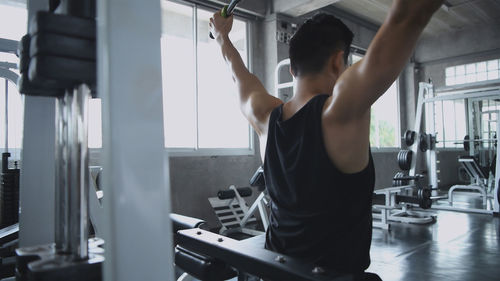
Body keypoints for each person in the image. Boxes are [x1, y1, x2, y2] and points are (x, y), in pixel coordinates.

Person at [209, 0, 444, 279]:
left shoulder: (263, 117)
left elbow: (238, 74)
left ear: (293, 68)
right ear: (337, 61)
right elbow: (408, 16)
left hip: (274, 273)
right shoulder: (340, 112)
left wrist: (222, 36)